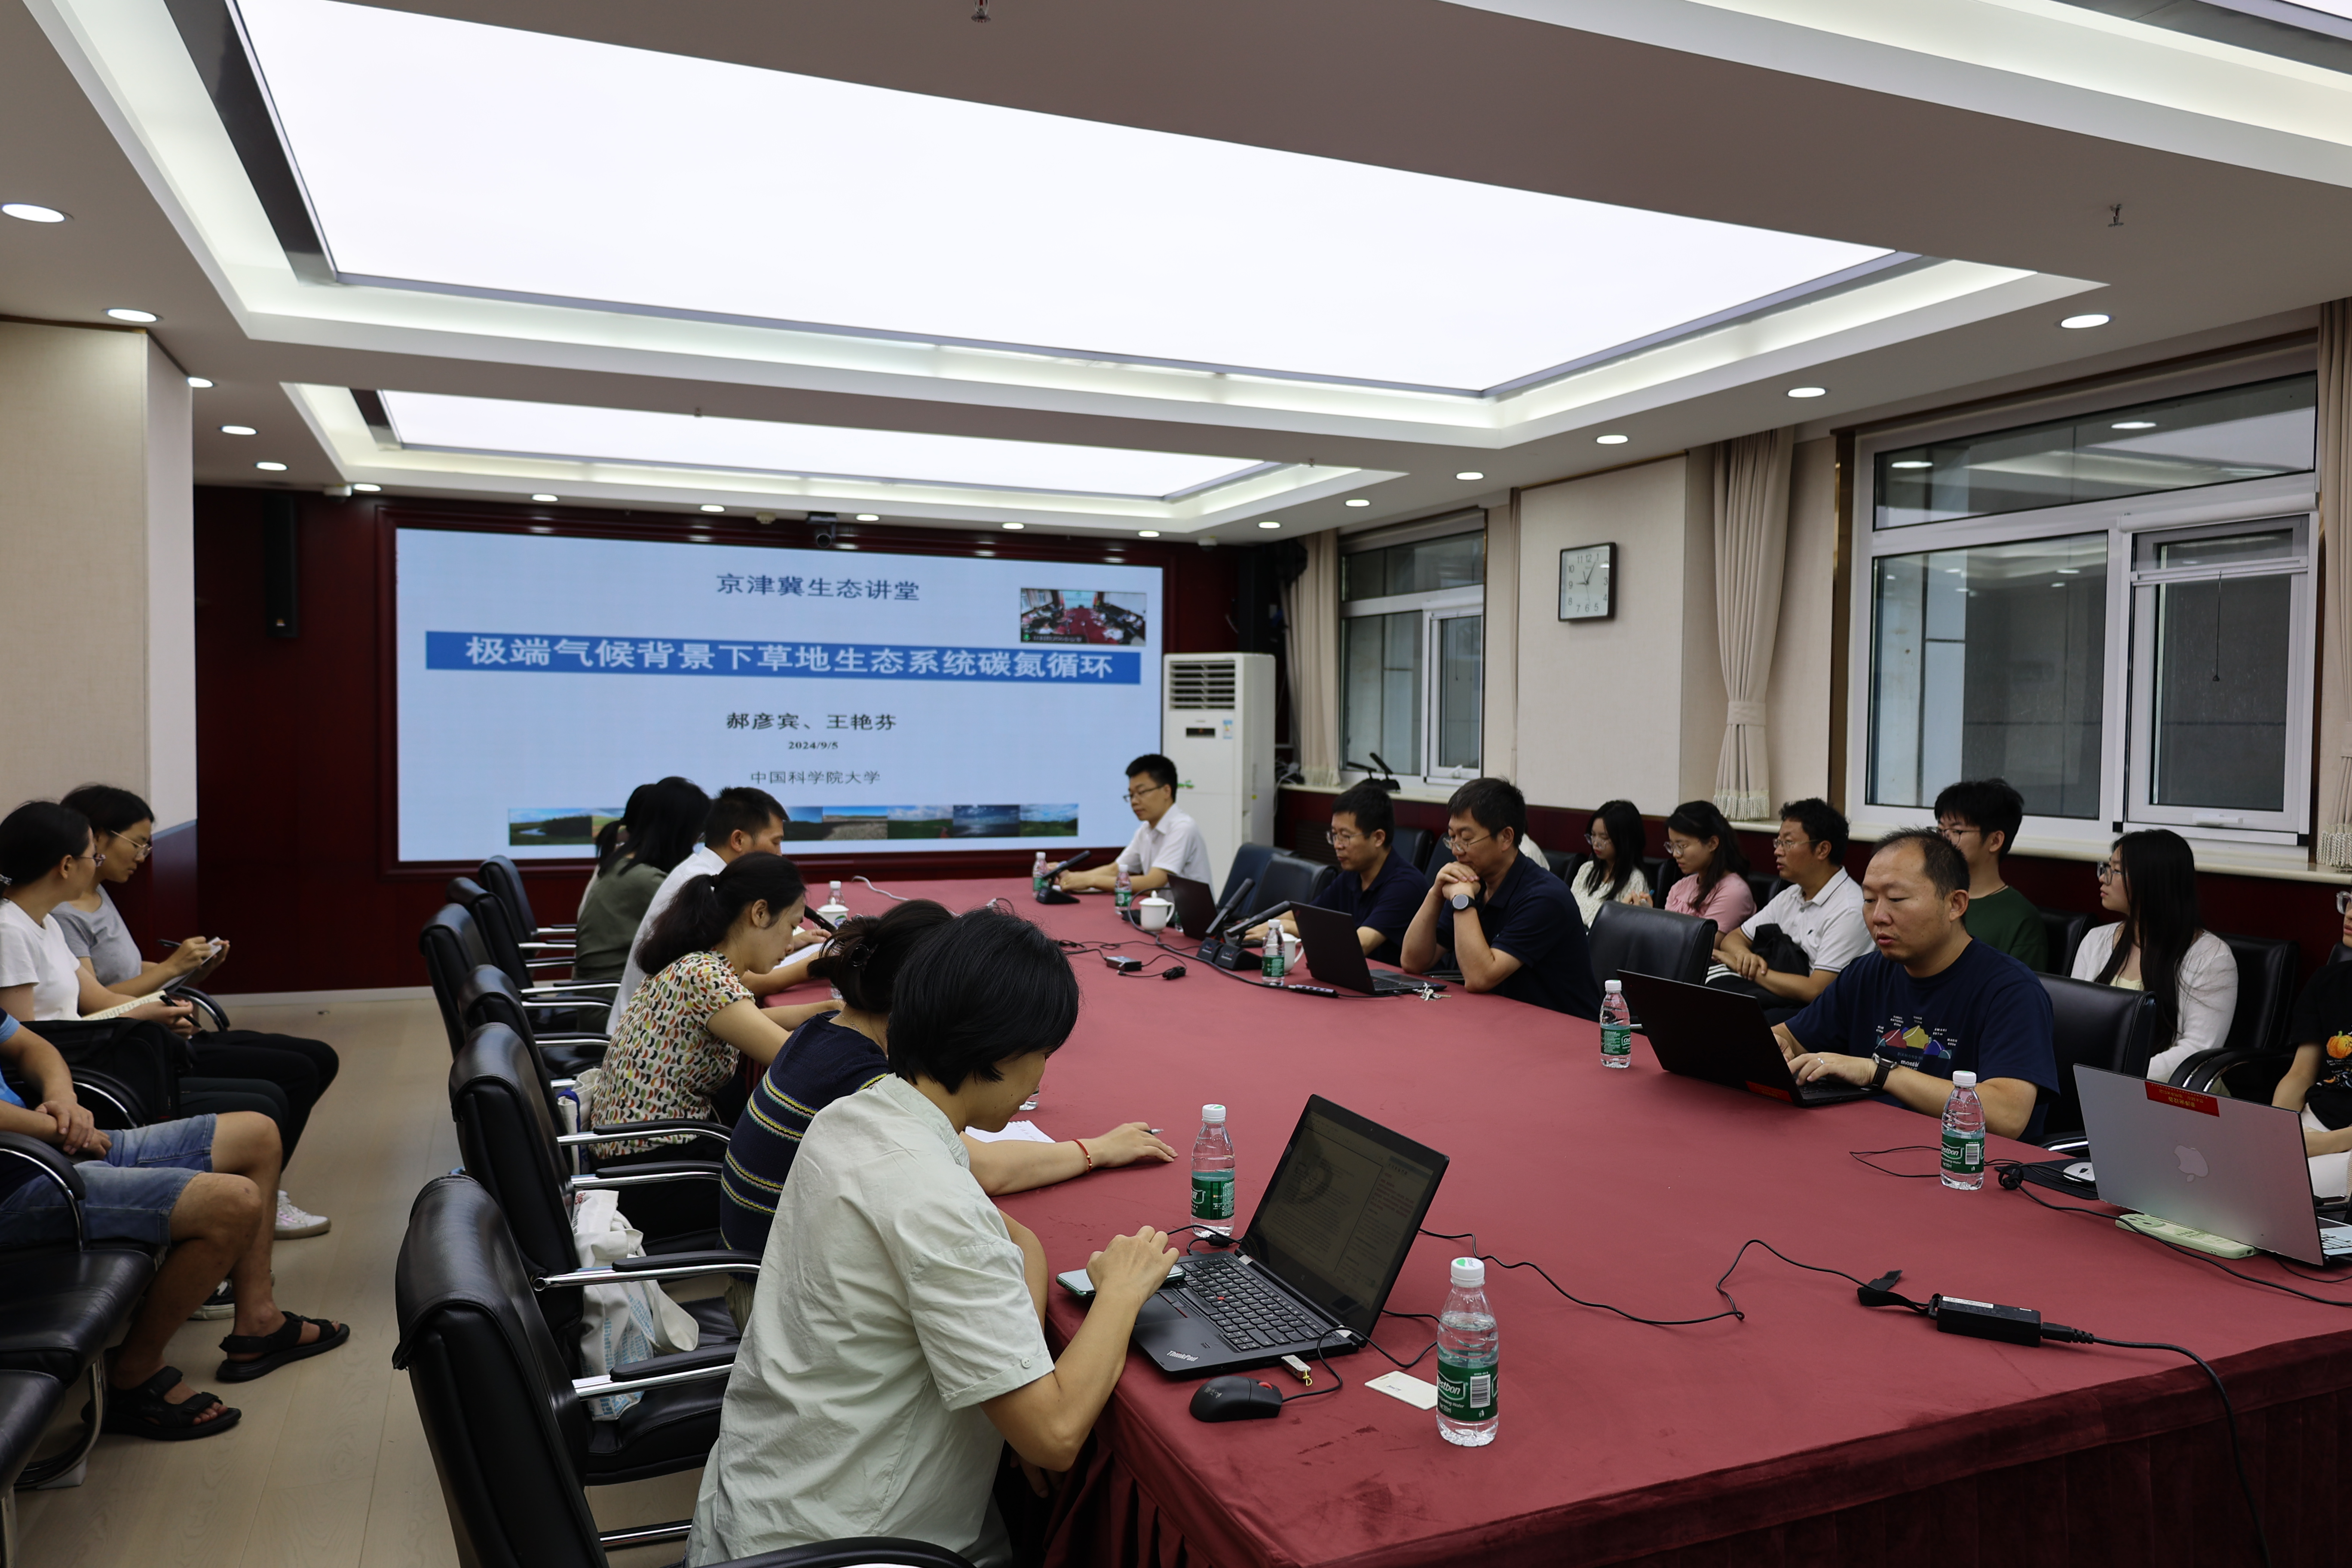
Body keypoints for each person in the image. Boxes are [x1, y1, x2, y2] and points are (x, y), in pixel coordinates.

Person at [687, 906, 1179, 1568]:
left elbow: (1016, 1240)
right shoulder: (933, 1200)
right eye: (1044, 1054)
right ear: (999, 1053)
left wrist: (1024, 1367)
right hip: (848, 1544)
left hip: (765, 1500)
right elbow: (1056, 1437)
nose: (1043, 1076)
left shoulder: (853, 1116)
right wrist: (1120, 1291)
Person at [717, 899, 1173, 1328]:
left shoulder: (823, 1031)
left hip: (768, 1274)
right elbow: (988, 1170)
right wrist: (1096, 1150)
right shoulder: (865, 1087)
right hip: (782, 1302)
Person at [0, 1012, 347, 1436]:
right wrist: (57, 1129)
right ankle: (132, 1373)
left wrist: (64, 1100)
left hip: (53, 1145)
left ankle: (260, 1321)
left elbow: (30, 1045)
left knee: (258, 1134)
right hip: (20, 1185)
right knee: (232, 1204)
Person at [54, 783, 341, 1238]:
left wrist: (190, 970)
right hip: (134, 1046)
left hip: (154, 1028)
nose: (143, 855)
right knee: (287, 1079)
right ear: (99, 838)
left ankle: (264, 1188)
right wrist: (172, 970)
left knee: (317, 1058)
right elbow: (97, 999)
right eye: (138, 843)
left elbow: (126, 974)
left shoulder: (99, 896)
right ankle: (257, 1195)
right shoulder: (62, 917)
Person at [1775, 829, 2058, 1142]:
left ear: (1955, 904)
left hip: (1963, 1161)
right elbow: (1791, 1037)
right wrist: (1776, 1044)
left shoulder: (2011, 990)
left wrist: (1879, 1072)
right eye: (1869, 900)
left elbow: (2008, 1115)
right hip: (1868, 1143)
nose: (1878, 916)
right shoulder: (1867, 973)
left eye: (1896, 899)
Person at [594, 852, 844, 1166]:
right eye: (791, 926)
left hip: (639, 1146)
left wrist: (829, 1008)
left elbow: (750, 1021)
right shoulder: (705, 978)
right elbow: (801, 1063)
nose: (791, 944)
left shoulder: (700, 962)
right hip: (652, 1163)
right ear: (760, 913)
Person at [606, 785, 821, 1030]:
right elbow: (735, 983)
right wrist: (813, 966)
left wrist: (788, 941)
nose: (780, 854)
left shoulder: (703, 874)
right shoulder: (708, 892)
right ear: (738, 840)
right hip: (648, 1033)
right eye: (776, 842)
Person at [1400, 777, 1599, 1018]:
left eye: (1467, 839)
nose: (1455, 850)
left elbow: (1479, 978)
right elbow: (1413, 962)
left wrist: (1462, 900)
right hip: (1500, 1019)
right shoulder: (1473, 883)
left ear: (1506, 838)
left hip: (1563, 1029)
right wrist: (1436, 893)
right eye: (1452, 837)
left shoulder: (1544, 897)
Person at [2072, 829, 2236, 1083]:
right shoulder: (2096, 940)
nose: (2103, 878)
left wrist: (2115, 1075)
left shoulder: (2211, 957)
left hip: (2172, 1094)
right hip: (2095, 1082)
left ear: (2151, 881)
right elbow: (2074, 1020)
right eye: (2106, 867)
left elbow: (2197, 1050)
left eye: (2116, 871)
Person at [1708, 797, 1869, 1024]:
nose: (1778, 851)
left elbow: (1816, 990)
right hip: (1778, 997)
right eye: (1778, 842)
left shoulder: (1850, 909)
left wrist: (1745, 968)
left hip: (1821, 1014)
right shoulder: (1791, 895)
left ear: (1823, 849)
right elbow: (1734, 939)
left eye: (1788, 843)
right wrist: (1746, 957)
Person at [1251, 782, 1428, 964]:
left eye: (1346, 836)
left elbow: (1359, 944)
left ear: (1378, 838)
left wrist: (1287, 927)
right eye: (1335, 835)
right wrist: (1257, 926)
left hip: (1396, 979)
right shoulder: (1352, 876)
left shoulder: (1406, 885)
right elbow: (1304, 917)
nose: (1337, 845)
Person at [575, 777, 708, 987]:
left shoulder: (621, 864)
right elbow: (703, 937)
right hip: (614, 995)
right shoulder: (647, 881)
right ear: (680, 832)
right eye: (698, 833)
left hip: (607, 987)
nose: (696, 841)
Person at [2268, 888, 2352, 1198]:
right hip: (2318, 1118)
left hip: (2343, 1141)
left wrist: (2329, 1143)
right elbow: (2301, 1074)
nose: (2350, 913)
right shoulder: (2327, 982)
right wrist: (2278, 1132)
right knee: (2242, 1173)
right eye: (2350, 900)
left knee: (2284, 1191)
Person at [1933, 777, 2047, 971]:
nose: (1944, 839)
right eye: (1941, 830)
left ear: (1995, 841)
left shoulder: (2021, 919)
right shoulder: (1929, 896)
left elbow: (2023, 987)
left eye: (1957, 831)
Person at [1057, 754, 1212, 894]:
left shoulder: (1182, 828)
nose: (1134, 801)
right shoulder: (1146, 830)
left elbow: (1153, 882)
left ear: (1167, 791)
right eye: (1131, 795)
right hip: (1161, 914)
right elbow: (1115, 870)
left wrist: (1090, 881)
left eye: (1141, 792)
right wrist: (1070, 877)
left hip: (1188, 917)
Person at [1660, 799, 1758, 933]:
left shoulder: (1734, 891)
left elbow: (1704, 943)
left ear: (1712, 844)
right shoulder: (1680, 887)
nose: (1676, 854)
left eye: (1682, 846)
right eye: (1672, 846)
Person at [1570, 799, 1651, 928]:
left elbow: (1628, 929)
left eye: (1604, 838)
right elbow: (1568, 909)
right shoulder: (1587, 869)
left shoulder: (1635, 880)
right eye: (1593, 835)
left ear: (1625, 840)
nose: (1596, 843)